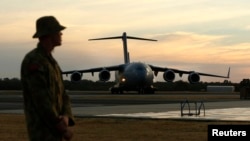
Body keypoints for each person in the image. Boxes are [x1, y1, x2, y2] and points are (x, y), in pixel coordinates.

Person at [21, 16, 75, 141]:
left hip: (55, 133)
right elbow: (41, 100)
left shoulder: (52, 63)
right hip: (42, 132)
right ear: (49, 35)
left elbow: (63, 94)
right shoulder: (34, 61)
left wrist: (66, 116)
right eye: (58, 31)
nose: (61, 34)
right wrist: (61, 127)